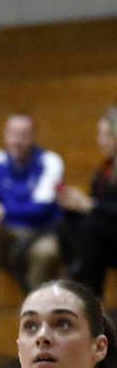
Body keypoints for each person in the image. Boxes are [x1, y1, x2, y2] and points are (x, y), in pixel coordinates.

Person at [0, 112, 64, 312]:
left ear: (34, 137)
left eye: (24, 135)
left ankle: (33, 305)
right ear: (5, 136)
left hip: (42, 232)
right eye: (13, 134)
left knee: (46, 252)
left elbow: (40, 208)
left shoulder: (50, 161)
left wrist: (1, 211)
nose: (18, 141)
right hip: (9, 231)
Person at [58, 106, 117, 298]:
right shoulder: (103, 171)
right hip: (104, 237)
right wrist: (75, 204)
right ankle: (78, 273)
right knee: (67, 224)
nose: (99, 141)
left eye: (104, 135)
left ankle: (89, 293)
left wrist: (91, 205)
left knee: (90, 231)